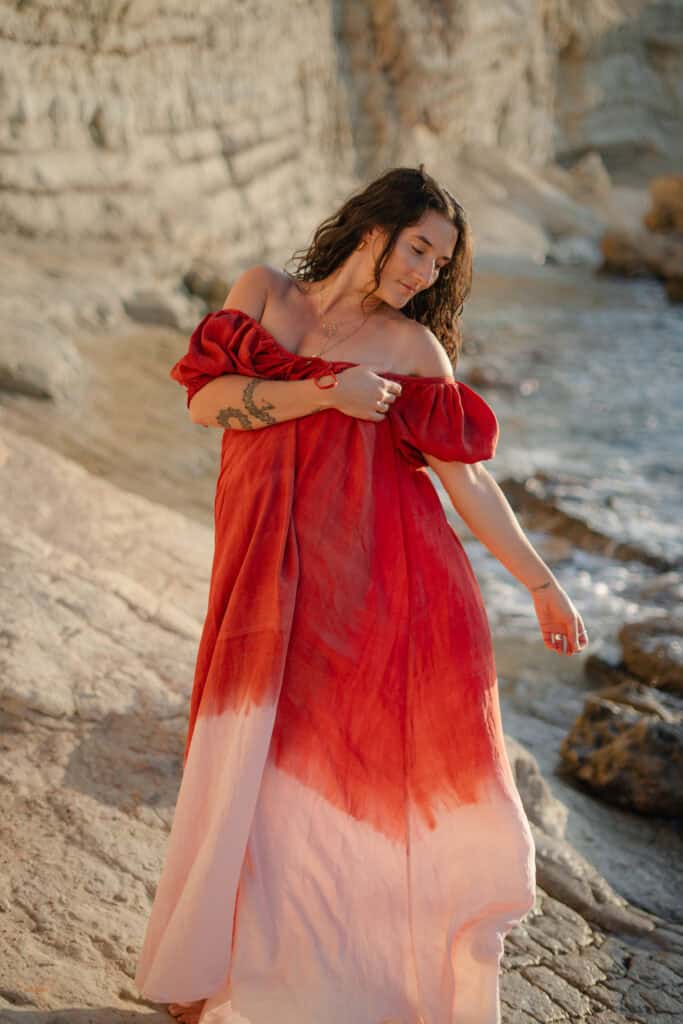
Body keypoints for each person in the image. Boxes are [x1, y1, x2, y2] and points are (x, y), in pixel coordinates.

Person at [134, 165, 588, 1024]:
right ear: (373, 227)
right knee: (246, 769)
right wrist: (325, 392)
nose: (423, 274)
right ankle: (215, 977)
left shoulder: (414, 351)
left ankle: (322, 991)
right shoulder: (264, 295)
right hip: (259, 576)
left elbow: (470, 486)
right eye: (417, 248)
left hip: (377, 594)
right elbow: (207, 403)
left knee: (323, 790)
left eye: (438, 265)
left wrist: (540, 581)